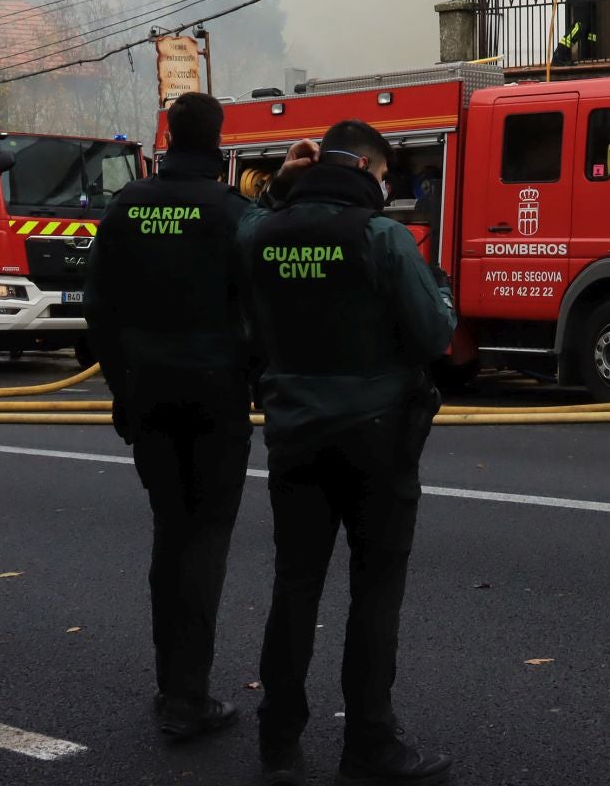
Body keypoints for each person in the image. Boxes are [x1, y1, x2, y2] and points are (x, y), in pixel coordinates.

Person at [242, 121, 457, 786]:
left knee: (295, 584)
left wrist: (282, 186)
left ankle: (278, 741)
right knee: (374, 593)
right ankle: (369, 743)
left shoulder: (261, 233)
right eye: (384, 177)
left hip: (293, 436)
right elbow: (434, 333)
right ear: (370, 169)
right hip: (377, 438)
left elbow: (246, 312)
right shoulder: (382, 236)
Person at [83, 91, 254, 740]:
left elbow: (99, 307)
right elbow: (257, 307)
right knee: (206, 538)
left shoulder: (127, 208)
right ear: (217, 141)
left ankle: (168, 685)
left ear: (168, 138)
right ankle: (190, 697)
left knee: (169, 532)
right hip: (215, 396)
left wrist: (120, 387)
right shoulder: (232, 212)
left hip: (147, 391)